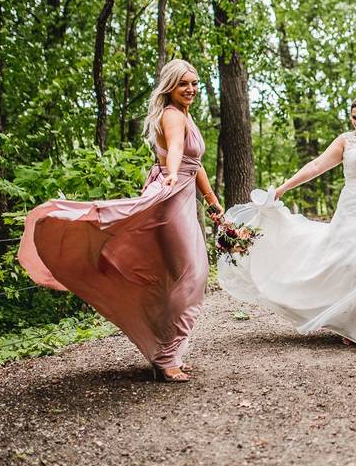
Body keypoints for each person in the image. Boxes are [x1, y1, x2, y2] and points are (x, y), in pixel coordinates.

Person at [19, 59, 221, 383]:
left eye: (195, 83)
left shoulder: (185, 114)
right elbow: (177, 151)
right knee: (190, 274)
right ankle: (167, 356)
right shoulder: (171, 115)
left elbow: (195, 163)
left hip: (183, 196)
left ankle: (170, 353)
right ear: (170, 86)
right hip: (170, 198)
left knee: (185, 274)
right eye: (184, 84)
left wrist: (213, 203)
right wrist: (169, 175)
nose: (191, 89)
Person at [218, 95, 356, 349]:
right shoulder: (346, 141)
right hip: (354, 208)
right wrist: (284, 188)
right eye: (353, 118)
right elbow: (318, 165)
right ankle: (349, 322)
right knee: (349, 260)